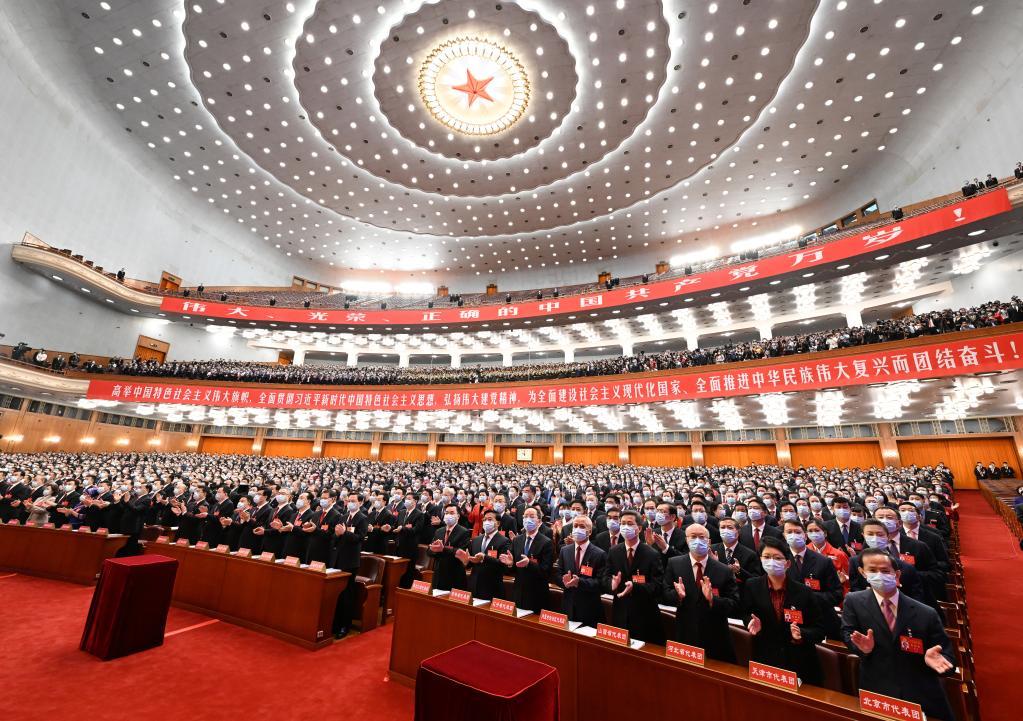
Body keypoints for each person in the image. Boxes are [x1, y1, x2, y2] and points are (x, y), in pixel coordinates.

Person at [842, 548, 956, 721]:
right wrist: (863, 648)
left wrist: (938, 663)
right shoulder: (853, 601)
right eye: (872, 570)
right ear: (862, 573)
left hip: (920, 695)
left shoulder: (926, 613)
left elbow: (948, 659)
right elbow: (847, 632)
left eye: (885, 571)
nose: (879, 575)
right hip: (877, 690)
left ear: (896, 574)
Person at [742, 537, 825, 685]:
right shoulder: (752, 586)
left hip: (799, 664)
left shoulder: (804, 592)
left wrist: (801, 634)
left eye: (777, 558)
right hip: (766, 660)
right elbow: (746, 613)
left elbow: (820, 630)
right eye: (767, 557)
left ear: (787, 563)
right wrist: (751, 622)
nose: (771, 561)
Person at [661, 522, 738, 660]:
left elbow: (734, 603)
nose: (697, 540)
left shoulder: (723, 570)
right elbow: (665, 595)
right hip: (685, 632)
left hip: (715, 636)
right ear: (686, 540)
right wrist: (678, 595)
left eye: (702, 537)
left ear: (709, 542)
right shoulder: (674, 563)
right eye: (693, 536)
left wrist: (713, 600)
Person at [558, 514, 607, 628]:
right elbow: (558, 574)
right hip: (568, 606)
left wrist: (579, 582)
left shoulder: (599, 554)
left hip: (589, 609)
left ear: (589, 532)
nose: (577, 529)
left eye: (582, 526)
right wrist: (564, 582)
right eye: (575, 526)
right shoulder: (564, 550)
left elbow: (601, 583)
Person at [502, 506, 553, 613]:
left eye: (531, 516)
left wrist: (529, 563)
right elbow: (512, 570)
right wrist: (511, 564)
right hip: (518, 591)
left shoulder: (546, 542)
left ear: (539, 521)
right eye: (525, 516)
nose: (528, 519)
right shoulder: (517, 540)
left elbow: (546, 571)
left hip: (537, 593)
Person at [332, 492, 368, 639]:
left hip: (351, 560)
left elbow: (360, 538)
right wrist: (337, 534)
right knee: (337, 593)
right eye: (348, 500)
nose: (350, 503)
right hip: (338, 559)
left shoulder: (362, 518)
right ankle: (335, 623)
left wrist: (344, 533)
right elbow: (335, 536)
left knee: (347, 594)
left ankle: (345, 626)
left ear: (360, 502)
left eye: (353, 501)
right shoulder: (343, 516)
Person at [466, 509, 512, 601]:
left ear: (498, 523)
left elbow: (503, 566)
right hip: (474, 586)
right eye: (484, 519)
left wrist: (485, 557)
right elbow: (471, 563)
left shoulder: (504, 541)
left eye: (490, 519)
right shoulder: (476, 540)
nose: (486, 522)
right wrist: (466, 561)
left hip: (492, 588)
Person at [429, 503, 471, 592]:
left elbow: (461, 552)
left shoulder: (464, 532)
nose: (448, 515)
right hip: (439, 574)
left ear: (458, 516)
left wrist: (443, 549)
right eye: (446, 513)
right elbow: (429, 551)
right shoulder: (439, 531)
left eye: (452, 513)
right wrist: (434, 550)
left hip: (454, 575)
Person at [712, 516, 761, 584]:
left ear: (738, 532)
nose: (726, 530)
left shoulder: (750, 554)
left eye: (730, 527)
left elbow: (756, 580)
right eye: (722, 527)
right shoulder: (712, 550)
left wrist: (739, 571)